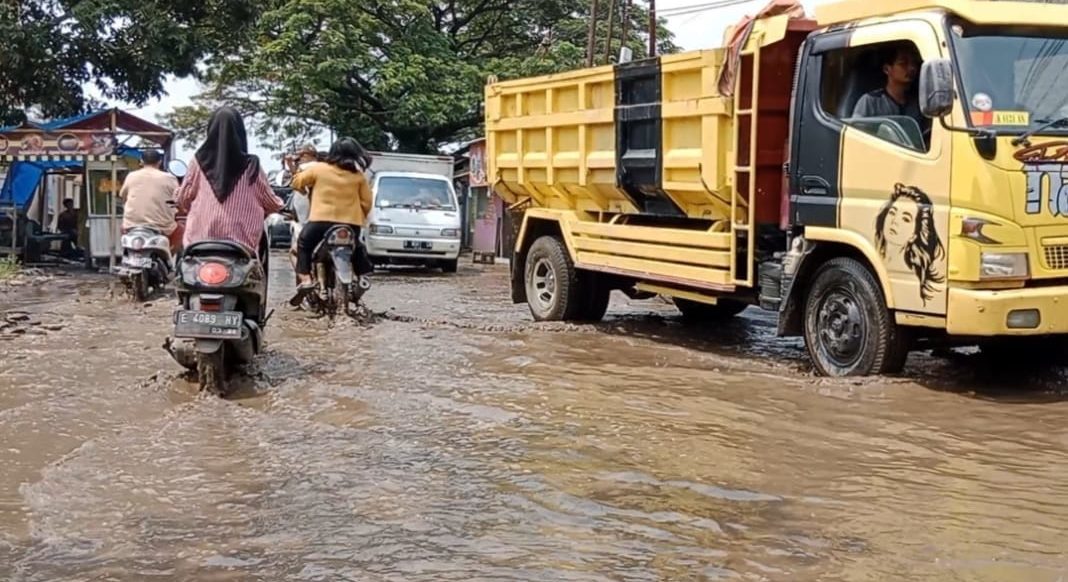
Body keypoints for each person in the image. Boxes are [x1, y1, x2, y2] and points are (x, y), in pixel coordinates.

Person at [176, 107, 284, 256]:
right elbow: (271, 203)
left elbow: (184, 198)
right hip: (242, 246)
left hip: (198, 242)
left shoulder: (197, 161)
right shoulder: (252, 165)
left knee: (183, 272)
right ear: (240, 132)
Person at [287, 137, 375, 306]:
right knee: (356, 247)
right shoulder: (358, 176)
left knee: (304, 245)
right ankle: (363, 276)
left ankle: (306, 280)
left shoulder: (319, 169)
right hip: (351, 225)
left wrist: (297, 174)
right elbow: (366, 203)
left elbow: (297, 182)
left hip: (320, 223)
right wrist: (358, 218)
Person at [875, 183, 946, 306]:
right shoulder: (875, 258)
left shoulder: (909, 279)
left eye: (906, 219)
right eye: (892, 212)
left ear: (914, 235)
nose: (895, 221)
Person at [852, 42, 929, 142]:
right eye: (903, 63)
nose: (911, 68)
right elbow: (857, 138)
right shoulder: (870, 102)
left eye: (914, 63)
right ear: (887, 69)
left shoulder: (920, 103)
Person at [118, 149, 181, 252]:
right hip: (162, 226)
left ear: (141, 161)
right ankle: (170, 257)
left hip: (131, 225)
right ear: (160, 162)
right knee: (181, 230)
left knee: (123, 227)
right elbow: (178, 200)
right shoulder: (170, 178)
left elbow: (123, 197)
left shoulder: (131, 176)